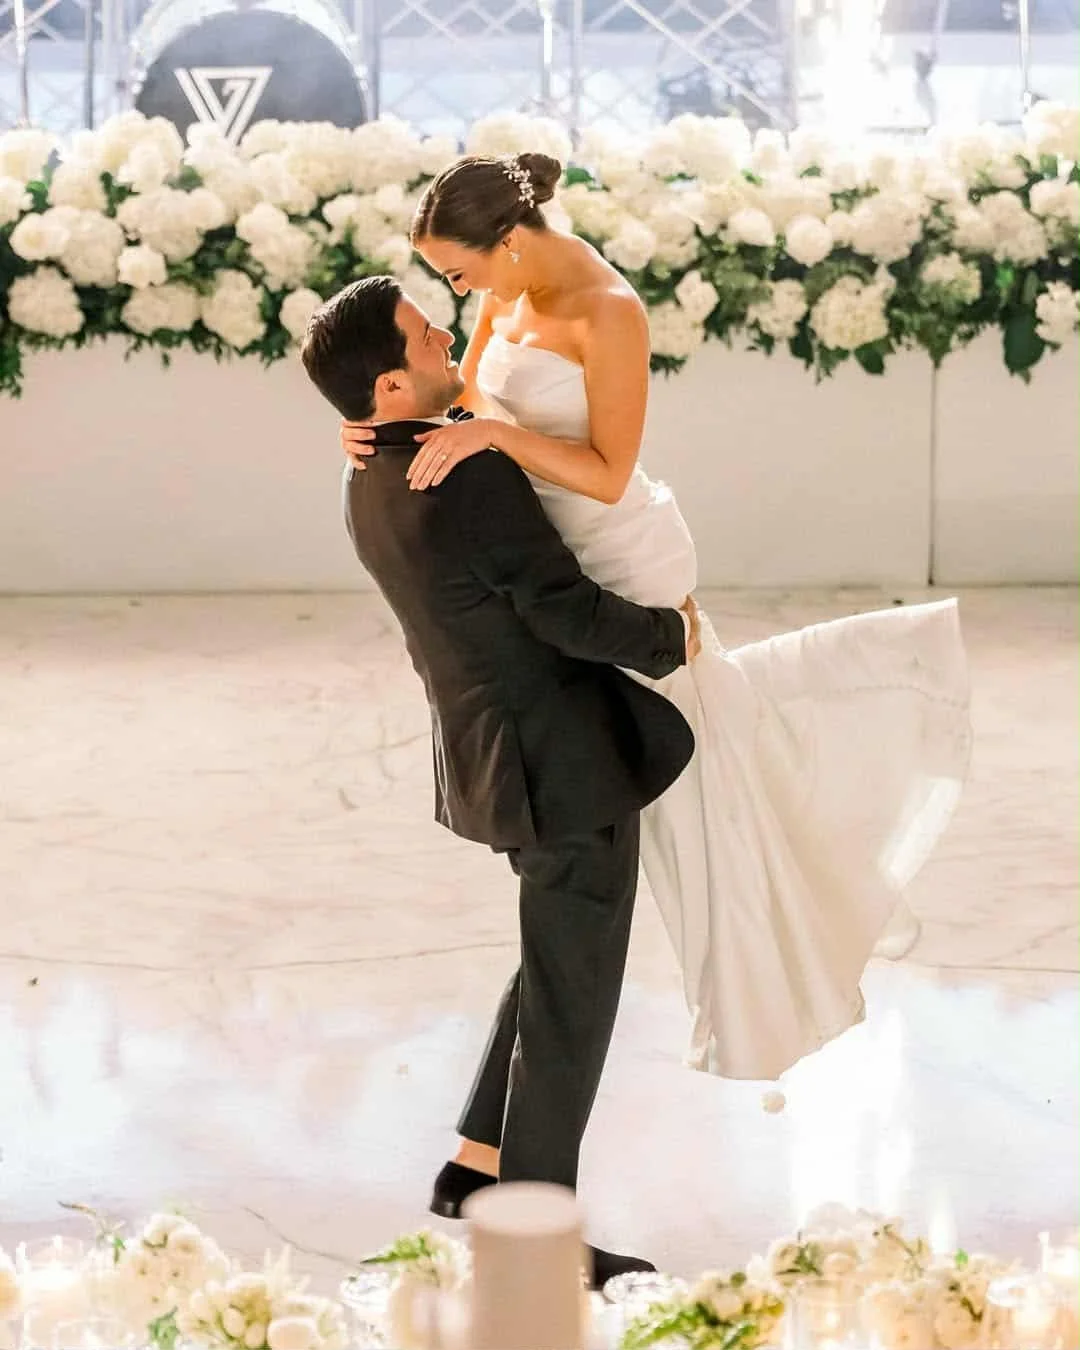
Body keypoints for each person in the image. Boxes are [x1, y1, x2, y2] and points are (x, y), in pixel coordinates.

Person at [340, 152, 973, 1090]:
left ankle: (877, 720)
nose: (452, 294)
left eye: (458, 273)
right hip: (547, 553)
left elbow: (603, 468)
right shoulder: (502, 295)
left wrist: (494, 437)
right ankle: (495, 1137)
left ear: (507, 243)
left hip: (617, 555)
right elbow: (460, 398)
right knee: (622, 837)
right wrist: (376, 428)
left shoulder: (610, 311)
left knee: (699, 790)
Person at [300, 274, 699, 1287]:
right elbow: (559, 607)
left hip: (493, 752)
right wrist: (670, 637)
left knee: (553, 965)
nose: (451, 345)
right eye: (428, 340)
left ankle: (478, 1165)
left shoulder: (367, 477)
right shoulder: (465, 475)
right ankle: (533, 1243)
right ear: (391, 386)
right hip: (559, 760)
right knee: (573, 998)